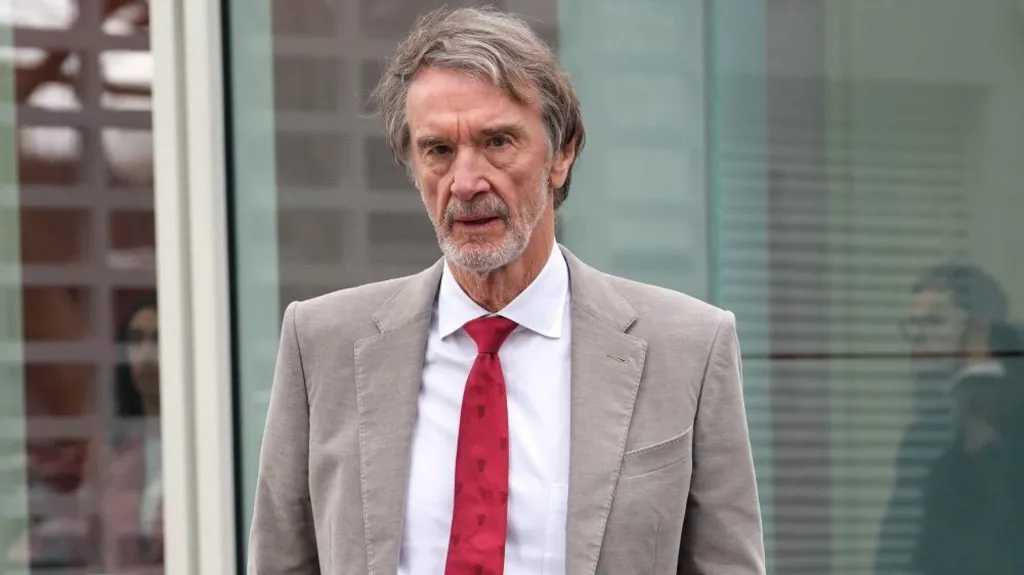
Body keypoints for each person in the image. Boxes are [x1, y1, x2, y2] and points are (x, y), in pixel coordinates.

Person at [248, 7, 764, 575]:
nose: (466, 183)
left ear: (561, 154)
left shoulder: (687, 348)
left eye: (497, 142)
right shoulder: (321, 345)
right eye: (438, 150)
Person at [876, 265, 1014, 574]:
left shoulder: (1008, 435)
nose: (918, 337)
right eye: (913, 325)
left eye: (934, 322)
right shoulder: (921, 439)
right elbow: (895, 553)